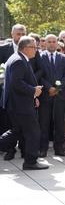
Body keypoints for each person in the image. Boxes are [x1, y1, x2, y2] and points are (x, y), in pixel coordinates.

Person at [0, 36, 48, 170]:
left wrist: (33, 96)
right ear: (26, 48)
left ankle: (30, 161)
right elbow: (17, 83)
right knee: (33, 132)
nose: (36, 50)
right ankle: (30, 162)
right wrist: (33, 90)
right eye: (34, 47)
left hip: (20, 103)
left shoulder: (18, 58)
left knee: (17, 132)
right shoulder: (18, 61)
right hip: (20, 106)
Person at [38, 34, 65, 157]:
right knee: (44, 123)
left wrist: (57, 88)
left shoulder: (64, 58)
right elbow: (39, 75)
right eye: (49, 41)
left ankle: (59, 148)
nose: (51, 43)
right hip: (45, 95)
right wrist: (48, 88)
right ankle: (43, 149)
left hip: (60, 95)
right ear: (45, 43)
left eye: (53, 41)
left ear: (57, 43)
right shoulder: (39, 57)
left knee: (59, 123)